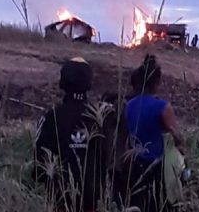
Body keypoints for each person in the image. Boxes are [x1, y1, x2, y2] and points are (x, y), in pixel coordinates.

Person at [33, 57, 108, 212]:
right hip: (90, 201)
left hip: (59, 199)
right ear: (89, 83)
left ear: (62, 82)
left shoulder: (51, 117)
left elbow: (39, 160)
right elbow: (106, 159)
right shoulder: (98, 119)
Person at [125, 54, 185, 212]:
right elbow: (177, 137)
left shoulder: (129, 105)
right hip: (156, 169)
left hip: (133, 166)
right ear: (157, 82)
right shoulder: (163, 107)